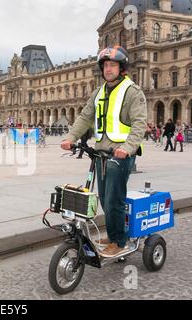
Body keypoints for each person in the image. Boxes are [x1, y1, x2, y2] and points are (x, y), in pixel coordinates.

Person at [61, 45, 147, 258]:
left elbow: (139, 123)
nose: (108, 69)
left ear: (122, 68)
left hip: (120, 153)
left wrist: (127, 148)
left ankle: (119, 242)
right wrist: (71, 137)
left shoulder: (132, 91)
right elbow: (85, 116)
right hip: (101, 153)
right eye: (106, 65)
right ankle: (116, 233)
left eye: (113, 65)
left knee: (113, 199)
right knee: (104, 196)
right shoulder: (99, 92)